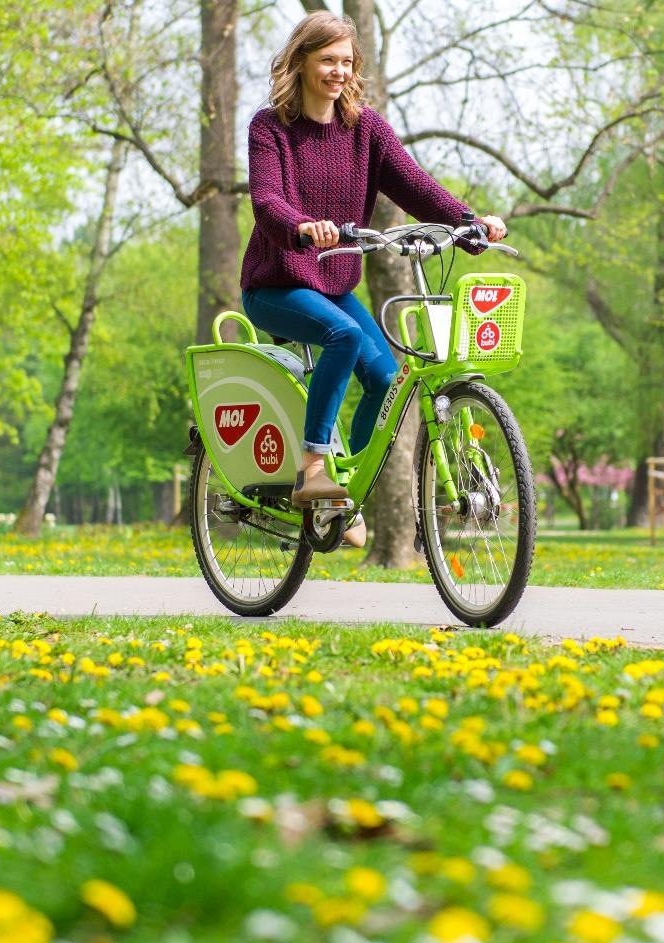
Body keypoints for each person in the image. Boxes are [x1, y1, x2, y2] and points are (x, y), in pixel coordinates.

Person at [240, 12, 506, 545]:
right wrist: (300, 226)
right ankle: (314, 466)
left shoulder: (366, 129)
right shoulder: (270, 127)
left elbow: (414, 184)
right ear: (300, 63)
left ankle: (343, 488)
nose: (338, 72)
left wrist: (467, 222)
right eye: (327, 60)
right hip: (276, 284)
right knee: (347, 335)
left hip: (335, 286)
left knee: (387, 381)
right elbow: (267, 200)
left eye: (346, 61)